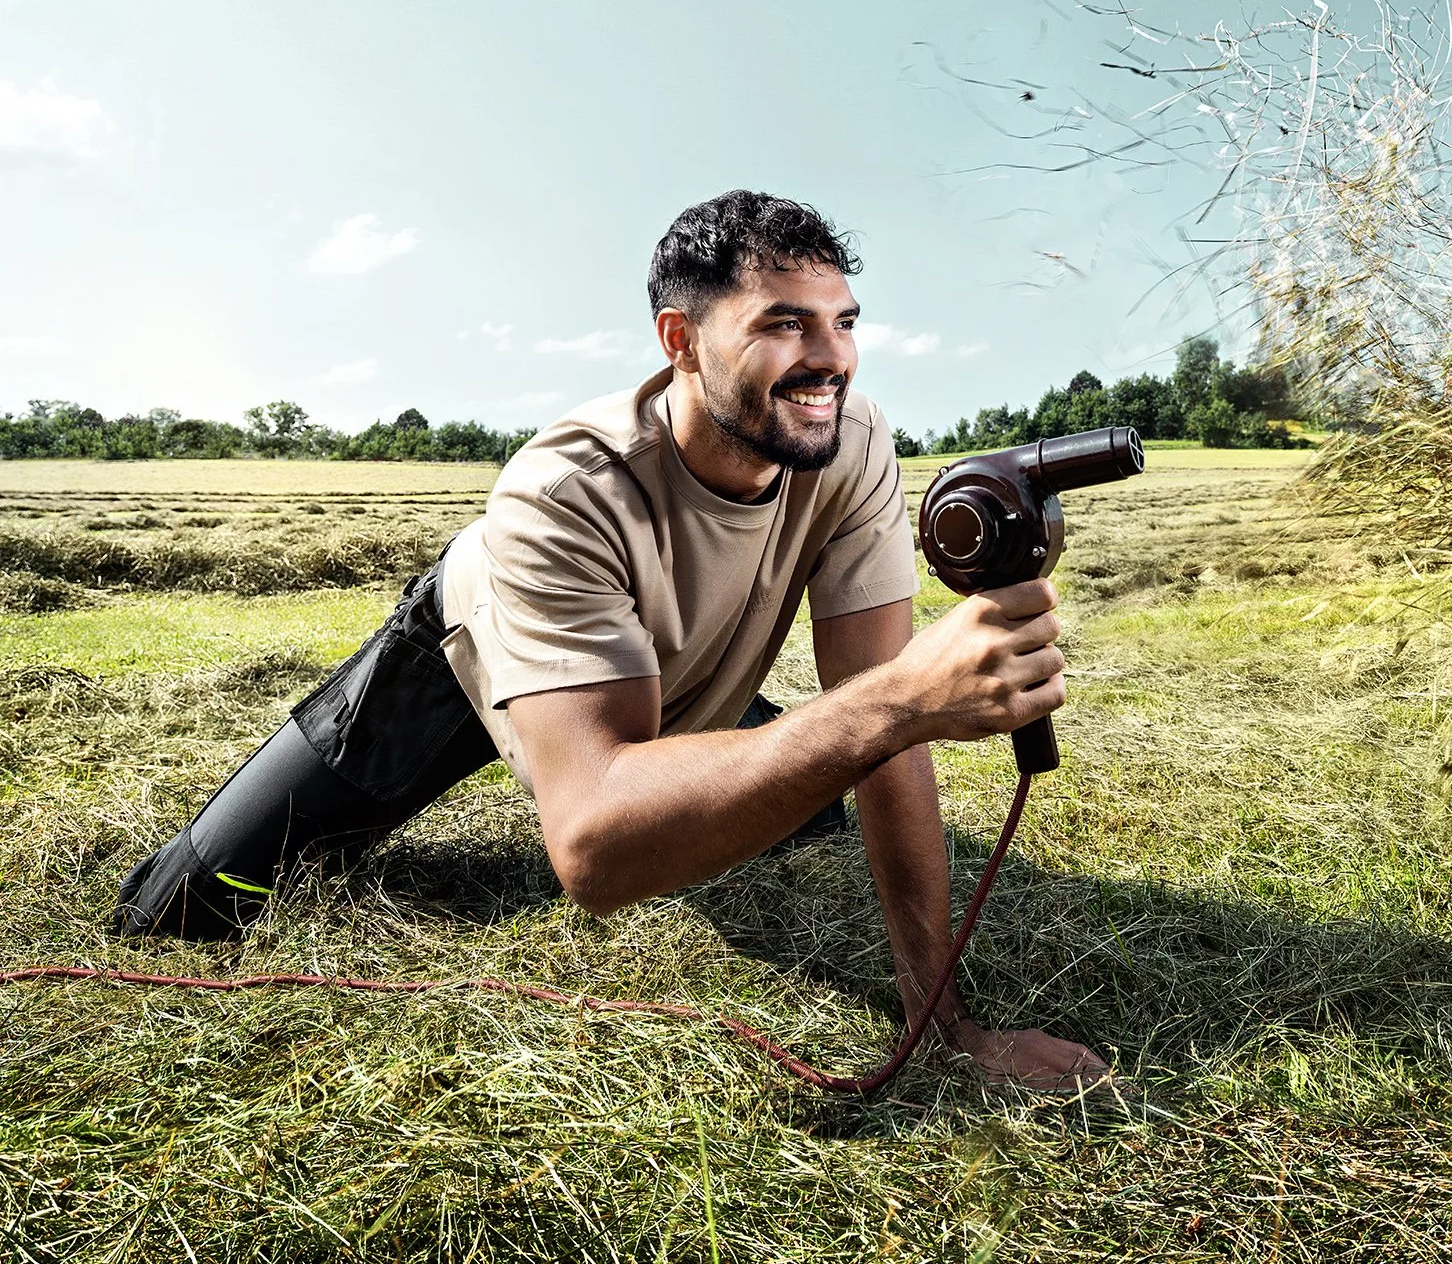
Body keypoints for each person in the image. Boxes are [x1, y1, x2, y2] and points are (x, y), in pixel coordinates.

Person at [113, 190, 1111, 1092]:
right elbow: (592, 853)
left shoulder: (849, 443)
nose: (832, 358)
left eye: (843, 323)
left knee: (818, 773)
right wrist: (889, 706)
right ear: (681, 340)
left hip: (682, 685)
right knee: (180, 910)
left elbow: (888, 727)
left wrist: (945, 1028)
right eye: (783, 323)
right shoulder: (564, 491)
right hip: (470, 659)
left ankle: (699, 749)